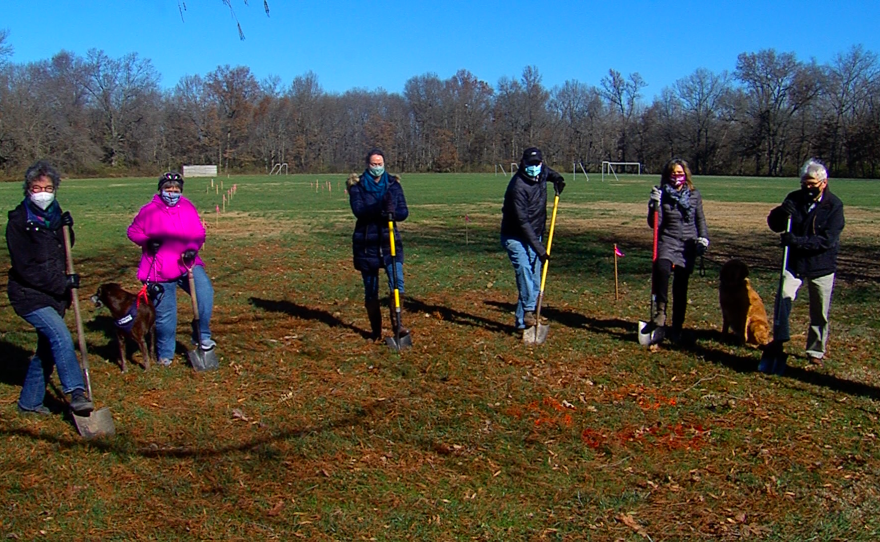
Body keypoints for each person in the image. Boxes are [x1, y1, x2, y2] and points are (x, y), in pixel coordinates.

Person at [5, 160, 94, 415]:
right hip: (28, 295)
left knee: (47, 349)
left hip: (55, 295)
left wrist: (68, 226)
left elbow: (65, 248)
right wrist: (63, 283)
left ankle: (29, 403)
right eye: (37, 187)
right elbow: (26, 268)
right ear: (28, 190)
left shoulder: (55, 215)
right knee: (60, 336)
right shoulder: (19, 222)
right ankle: (77, 392)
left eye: (48, 187)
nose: (43, 192)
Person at [760, 158, 844, 373]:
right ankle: (779, 340)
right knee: (783, 298)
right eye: (804, 182)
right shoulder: (794, 199)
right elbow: (775, 225)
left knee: (819, 311)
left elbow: (827, 240)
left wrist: (797, 241)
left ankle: (815, 351)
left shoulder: (833, 206)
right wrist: (781, 212)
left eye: (812, 183)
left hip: (821, 265)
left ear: (823, 183)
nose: (807, 187)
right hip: (794, 263)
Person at [127, 172, 215, 366]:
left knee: (205, 292)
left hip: (187, 263)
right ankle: (165, 354)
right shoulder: (148, 211)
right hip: (160, 268)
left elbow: (198, 232)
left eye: (176, 190)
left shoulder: (187, 207)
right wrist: (147, 242)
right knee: (166, 315)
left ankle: (202, 334)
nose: (172, 193)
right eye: (168, 189)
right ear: (161, 190)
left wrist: (193, 249)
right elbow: (132, 231)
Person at [500, 147, 565, 332]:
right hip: (514, 235)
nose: (534, 167)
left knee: (535, 278)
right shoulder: (517, 187)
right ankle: (529, 311)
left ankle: (522, 322)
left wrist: (558, 179)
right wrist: (541, 250)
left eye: (537, 164)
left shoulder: (542, 171)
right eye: (530, 164)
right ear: (523, 163)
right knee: (524, 269)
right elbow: (523, 222)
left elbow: (549, 173)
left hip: (536, 233)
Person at [347, 149, 410, 341]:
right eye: (374, 164)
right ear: (367, 165)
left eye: (380, 163)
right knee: (371, 288)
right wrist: (381, 207)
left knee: (397, 283)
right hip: (367, 243)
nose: (377, 167)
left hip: (390, 240)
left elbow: (403, 212)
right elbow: (359, 210)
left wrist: (393, 212)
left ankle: (398, 326)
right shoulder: (357, 186)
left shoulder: (393, 185)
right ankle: (376, 332)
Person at [647, 158, 709, 343]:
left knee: (681, 285)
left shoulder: (694, 195)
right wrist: (653, 206)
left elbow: (700, 219)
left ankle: (677, 327)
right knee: (662, 269)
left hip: (688, 243)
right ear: (667, 176)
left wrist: (703, 238)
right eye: (673, 174)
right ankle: (660, 315)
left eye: (680, 174)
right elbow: (655, 224)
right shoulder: (662, 194)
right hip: (668, 239)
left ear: (686, 175)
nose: (677, 177)